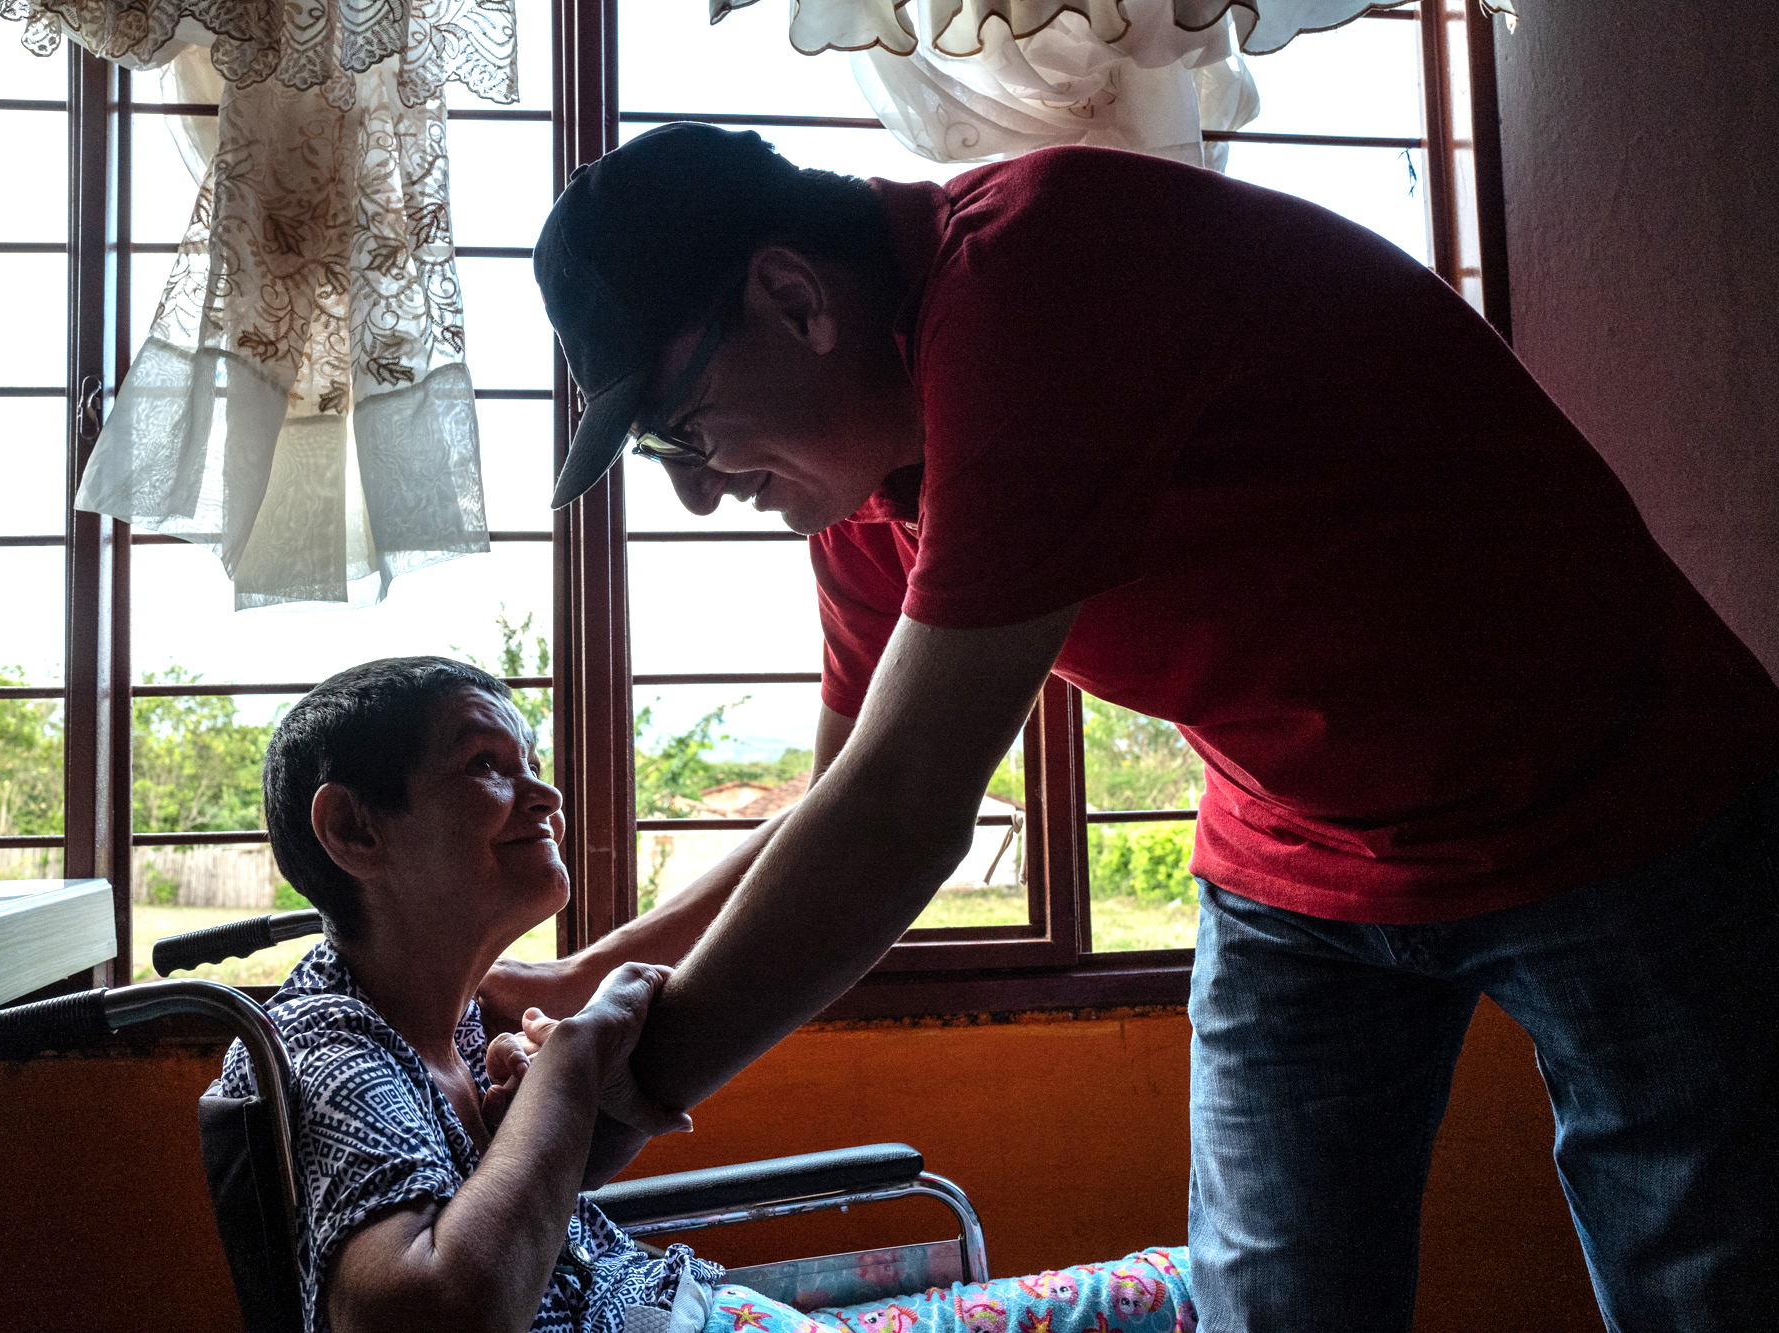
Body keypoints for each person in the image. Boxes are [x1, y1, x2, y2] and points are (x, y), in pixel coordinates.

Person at [504, 123, 1779, 1331]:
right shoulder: (857, 498)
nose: (695, 487)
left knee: (1710, 1288)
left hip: (1620, 809)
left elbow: (900, 817)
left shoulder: (1030, 277)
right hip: (1298, 867)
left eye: (678, 425)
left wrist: (616, 1098)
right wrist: (594, 977)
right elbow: (831, 809)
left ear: (793, 297)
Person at [212, 655, 1197, 1333]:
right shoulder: (334, 1052)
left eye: (530, 763)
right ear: (352, 829)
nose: (544, 795)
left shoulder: (443, 1012)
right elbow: (421, 1321)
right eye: (484, 767)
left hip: (689, 1301)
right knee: (1196, 1291)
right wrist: (562, 1070)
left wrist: (538, 1099)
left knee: (1195, 1282)